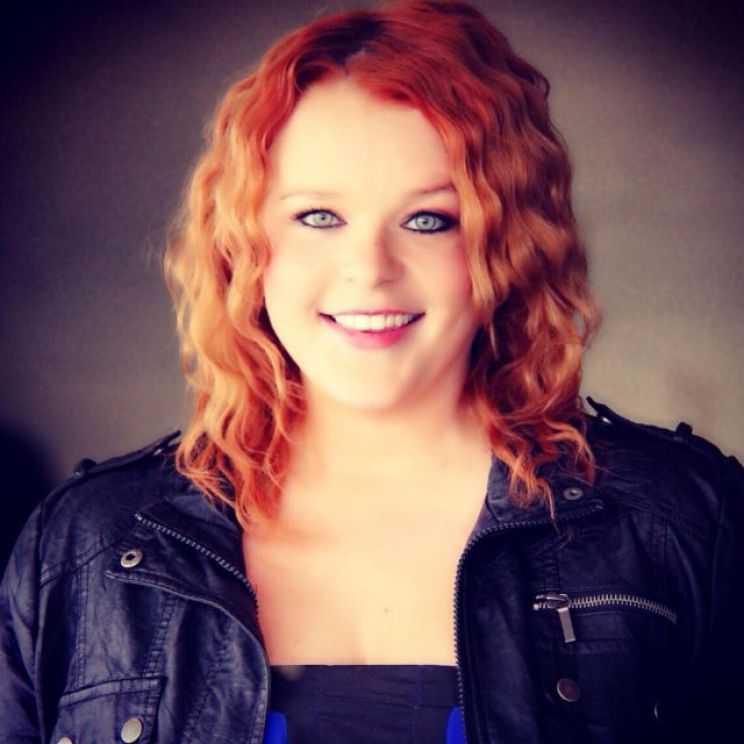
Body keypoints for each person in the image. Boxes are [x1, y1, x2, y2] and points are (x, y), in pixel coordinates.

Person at [1, 0, 742, 742]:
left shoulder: (687, 525)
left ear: (509, 246)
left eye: (428, 219)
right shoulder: (80, 548)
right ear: (246, 248)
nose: (370, 270)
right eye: (318, 217)